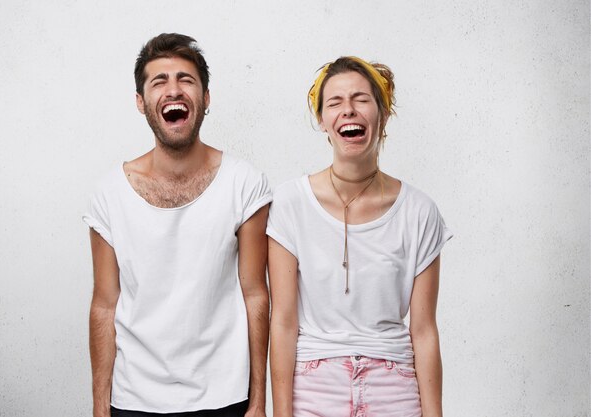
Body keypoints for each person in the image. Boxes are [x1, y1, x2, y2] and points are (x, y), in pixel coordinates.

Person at [83, 33, 271, 417]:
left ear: (205, 98)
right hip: (134, 400)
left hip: (225, 398)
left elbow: (256, 293)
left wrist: (257, 402)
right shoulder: (108, 194)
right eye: (159, 81)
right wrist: (101, 408)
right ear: (141, 102)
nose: (174, 90)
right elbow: (104, 304)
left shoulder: (245, 184)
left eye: (186, 79)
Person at [267, 56, 453, 417]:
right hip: (314, 385)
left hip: (394, 385)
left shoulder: (419, 211)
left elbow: (425, 330)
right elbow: (284, 322)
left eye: (361, 100)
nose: (348, 111)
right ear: (322, 120)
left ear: (382, 115)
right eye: (334, 103)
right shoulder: (291, 203)